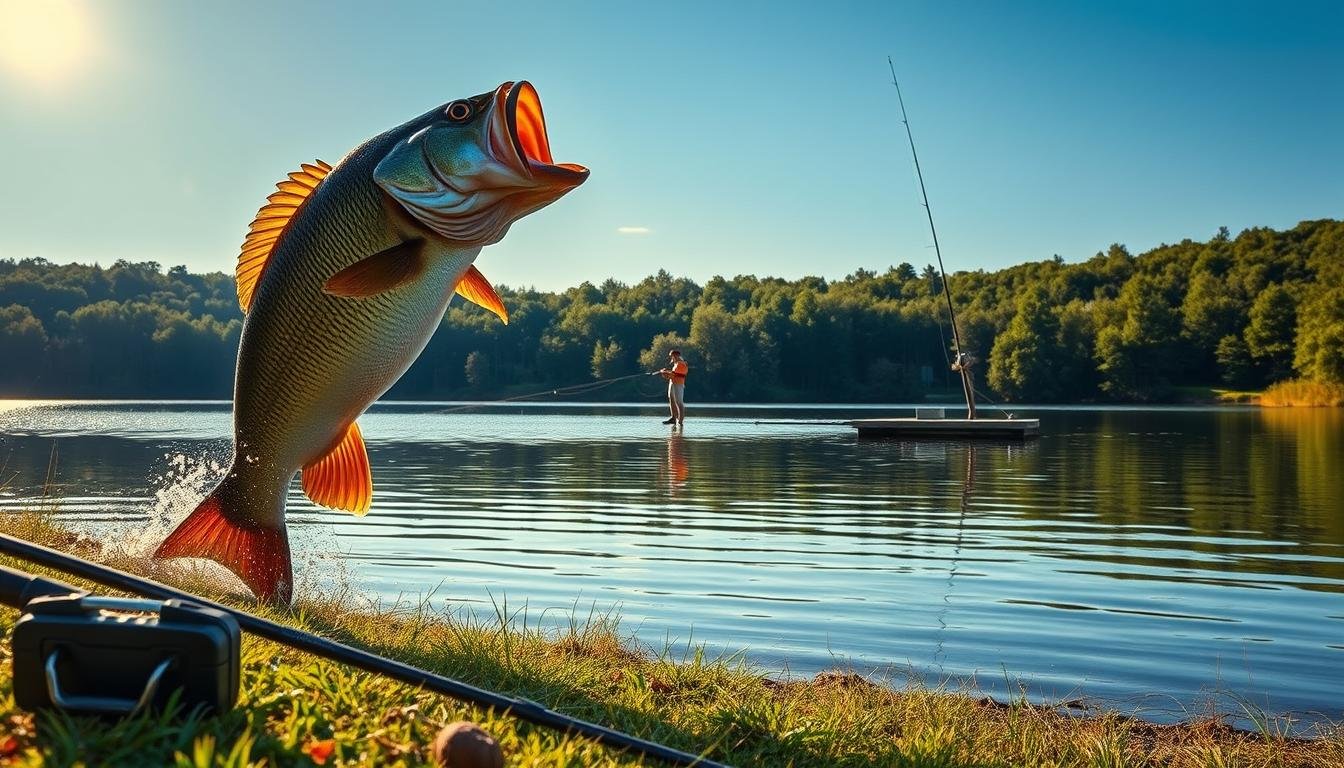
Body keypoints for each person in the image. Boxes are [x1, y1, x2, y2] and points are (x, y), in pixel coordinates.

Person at [655, 349, 689, 426]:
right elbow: (671, 375)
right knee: (672, 400)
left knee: (679, 402)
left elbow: (674, 375)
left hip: (678, 384)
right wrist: (664, 372)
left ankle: (680, 421)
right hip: (673, 383)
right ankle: (673, 418)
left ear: (676, 356)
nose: (671, 358)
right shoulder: (676, 364)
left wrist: (663, 372)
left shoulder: (681, 364)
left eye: (672, 356)